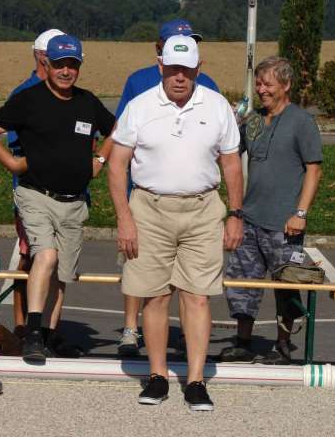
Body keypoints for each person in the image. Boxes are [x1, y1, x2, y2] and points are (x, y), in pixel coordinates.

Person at [108, 35, 243, 410]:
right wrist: (124, 218)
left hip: (202, 210)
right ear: (161, 67)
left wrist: (235, 214)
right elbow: (117, 164)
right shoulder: (139, 106)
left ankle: (196, 380)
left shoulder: (217, 107)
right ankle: (157, 376)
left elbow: (231, 164)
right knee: (155, 294)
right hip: (149, 209)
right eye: (172, 69)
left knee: (198, 296)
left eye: (187, 69)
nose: (179, 77)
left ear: (199, 69)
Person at [0, 34, 115, 363]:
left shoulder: (87, 102)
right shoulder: (29, 100)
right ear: (47, 64)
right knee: (46, 256)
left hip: (74, 199)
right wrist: (10, 162)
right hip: (36, 194)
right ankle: (33, 332)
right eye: (60, 65)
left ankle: (51, 334)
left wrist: (101, 161)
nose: (67, 71)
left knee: (62, 273)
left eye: (73, 65)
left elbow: (118, 129)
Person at [115, 18, 219, 357]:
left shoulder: (207, 85)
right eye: (179, 41)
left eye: (192, 41)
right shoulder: (139, 82)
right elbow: (121, 136)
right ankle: (131, 327)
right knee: (146, 280)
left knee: (192, 289)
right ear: (160, 50)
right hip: (147, 195)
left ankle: (192, 356)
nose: (181, 72)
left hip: (193, 199)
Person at [220, 56, 323, 364]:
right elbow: (229, 155)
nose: (262, 90)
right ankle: (242, 340)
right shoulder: (252, 120)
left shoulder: (301, 122)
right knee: (243, 282)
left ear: (286, 85)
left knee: (285, 285)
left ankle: (282, 345)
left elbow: (314, 170)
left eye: (268, 84)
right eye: (259, 83)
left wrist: (300, 214)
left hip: (284, 223)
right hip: (249, 218)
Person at [7, 29, 64, 339]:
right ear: (42, 57)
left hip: (68, 194)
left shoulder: (68, 92)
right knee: (33, 257)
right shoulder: (24, 94)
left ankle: (50, 330)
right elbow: (14, 144)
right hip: (33, 192)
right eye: (57, 59)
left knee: (61, 262)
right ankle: (21, 325)